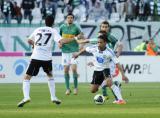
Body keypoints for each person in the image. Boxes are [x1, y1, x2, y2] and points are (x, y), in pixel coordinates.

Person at [17, 15, 63, 107]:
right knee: (50, 75)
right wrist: (61, 43)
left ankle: (26, 97)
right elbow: (60, 41)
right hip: (47, 58)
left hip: (36, 57)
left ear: (44, 22)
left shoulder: (38, 29)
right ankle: (53, 97)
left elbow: (29, 40)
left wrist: (34, 44)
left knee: (27, 77)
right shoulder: (53, 31)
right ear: (53, 23)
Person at [73, 34, 128, 104]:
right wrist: (77, 54)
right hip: (97, 71)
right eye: (98, 42)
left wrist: (123, 75)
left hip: (105, 69)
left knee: (110, 83)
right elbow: (85, 49)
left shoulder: (109, 52)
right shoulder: (94, 48)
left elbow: (117, 63)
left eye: (100, 42)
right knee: (93, 90)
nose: (99, 44)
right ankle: (113, 84)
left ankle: (121, 100)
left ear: (105, 43)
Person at [59, 13, 83, 95]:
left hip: (74, 51)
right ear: (66, 19)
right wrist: (59, 43)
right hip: (65, 51)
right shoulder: (62, 27)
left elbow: (81, 35)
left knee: (73, 69)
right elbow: (59, 38)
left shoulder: (76, 27)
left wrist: (78, 38)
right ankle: (68, 89)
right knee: (66, 70)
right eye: (68, 17)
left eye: (71, 18)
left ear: (73, 19)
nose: (70, 19)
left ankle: (75, 88)